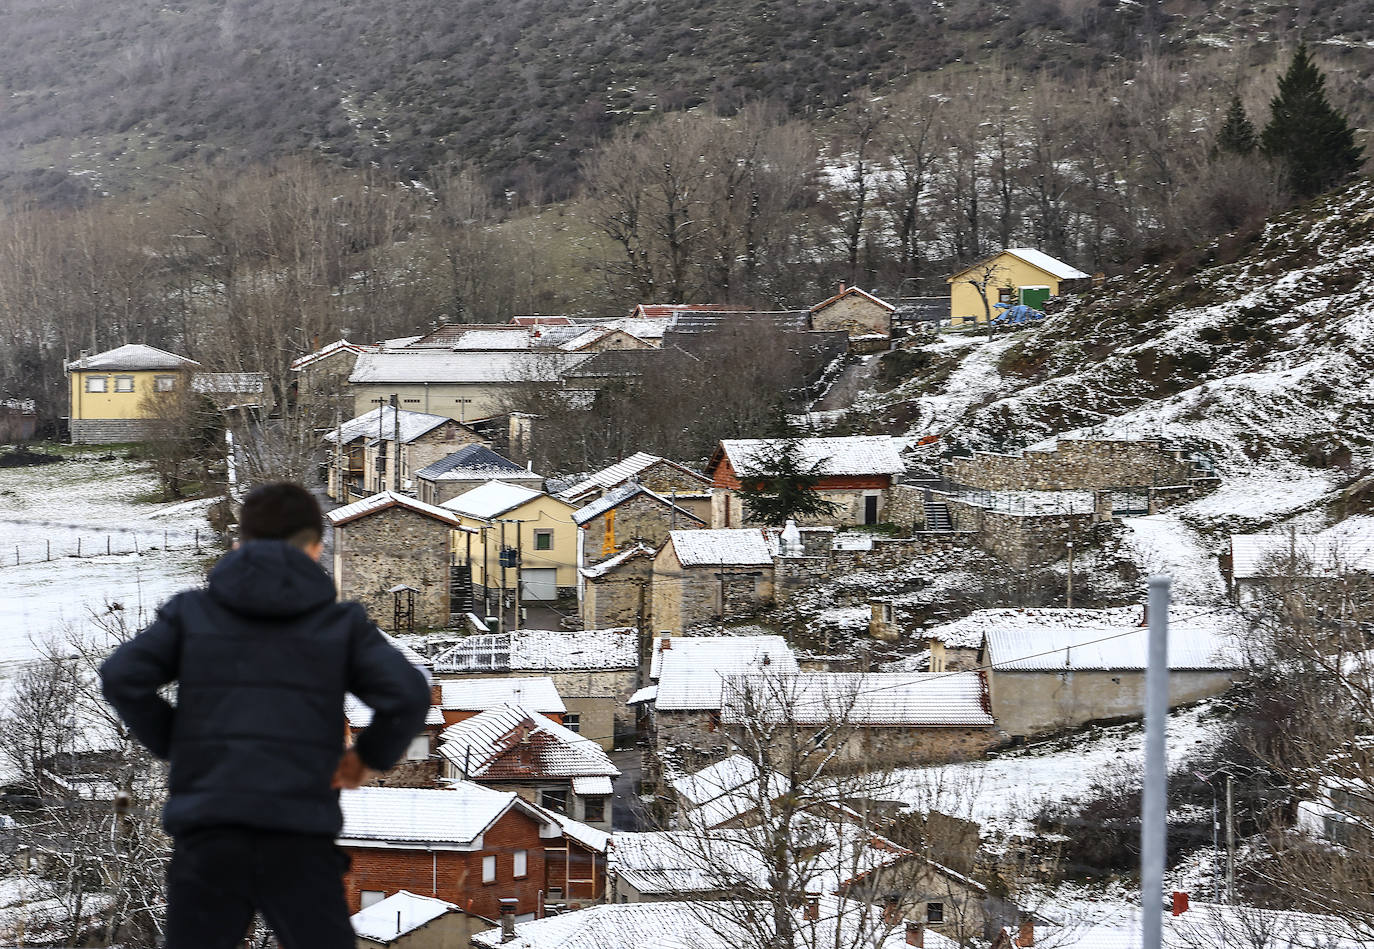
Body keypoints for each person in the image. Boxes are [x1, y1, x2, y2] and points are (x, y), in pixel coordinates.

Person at [100, 482, 431, 949]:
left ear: (241, 544)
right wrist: (364, 758)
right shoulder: (339, 627)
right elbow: (408, 694)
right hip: (299, 838)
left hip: (209, 835)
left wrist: (176, 742)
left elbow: (121, 676)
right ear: (315, 549)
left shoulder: (192, 615)